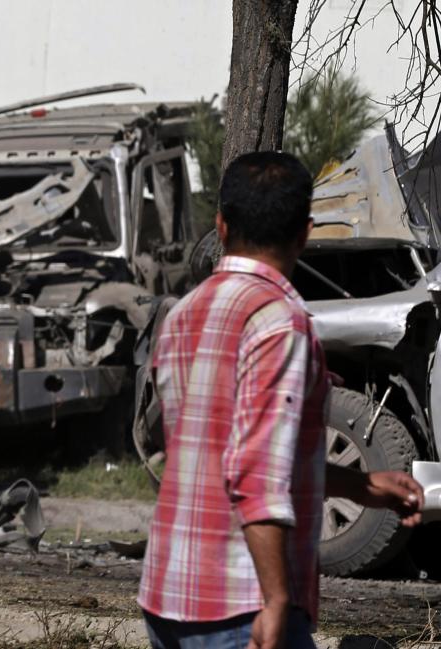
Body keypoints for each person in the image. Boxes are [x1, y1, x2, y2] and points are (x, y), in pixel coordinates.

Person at [137, 151, 424, 649]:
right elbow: (256, 474)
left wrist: (361, 486)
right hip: (240, 603)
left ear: (222, 226)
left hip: (169, 593)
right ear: (305, 232)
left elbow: (220, 453)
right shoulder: (279, 324)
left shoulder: (183, 315)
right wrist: (273, 601)